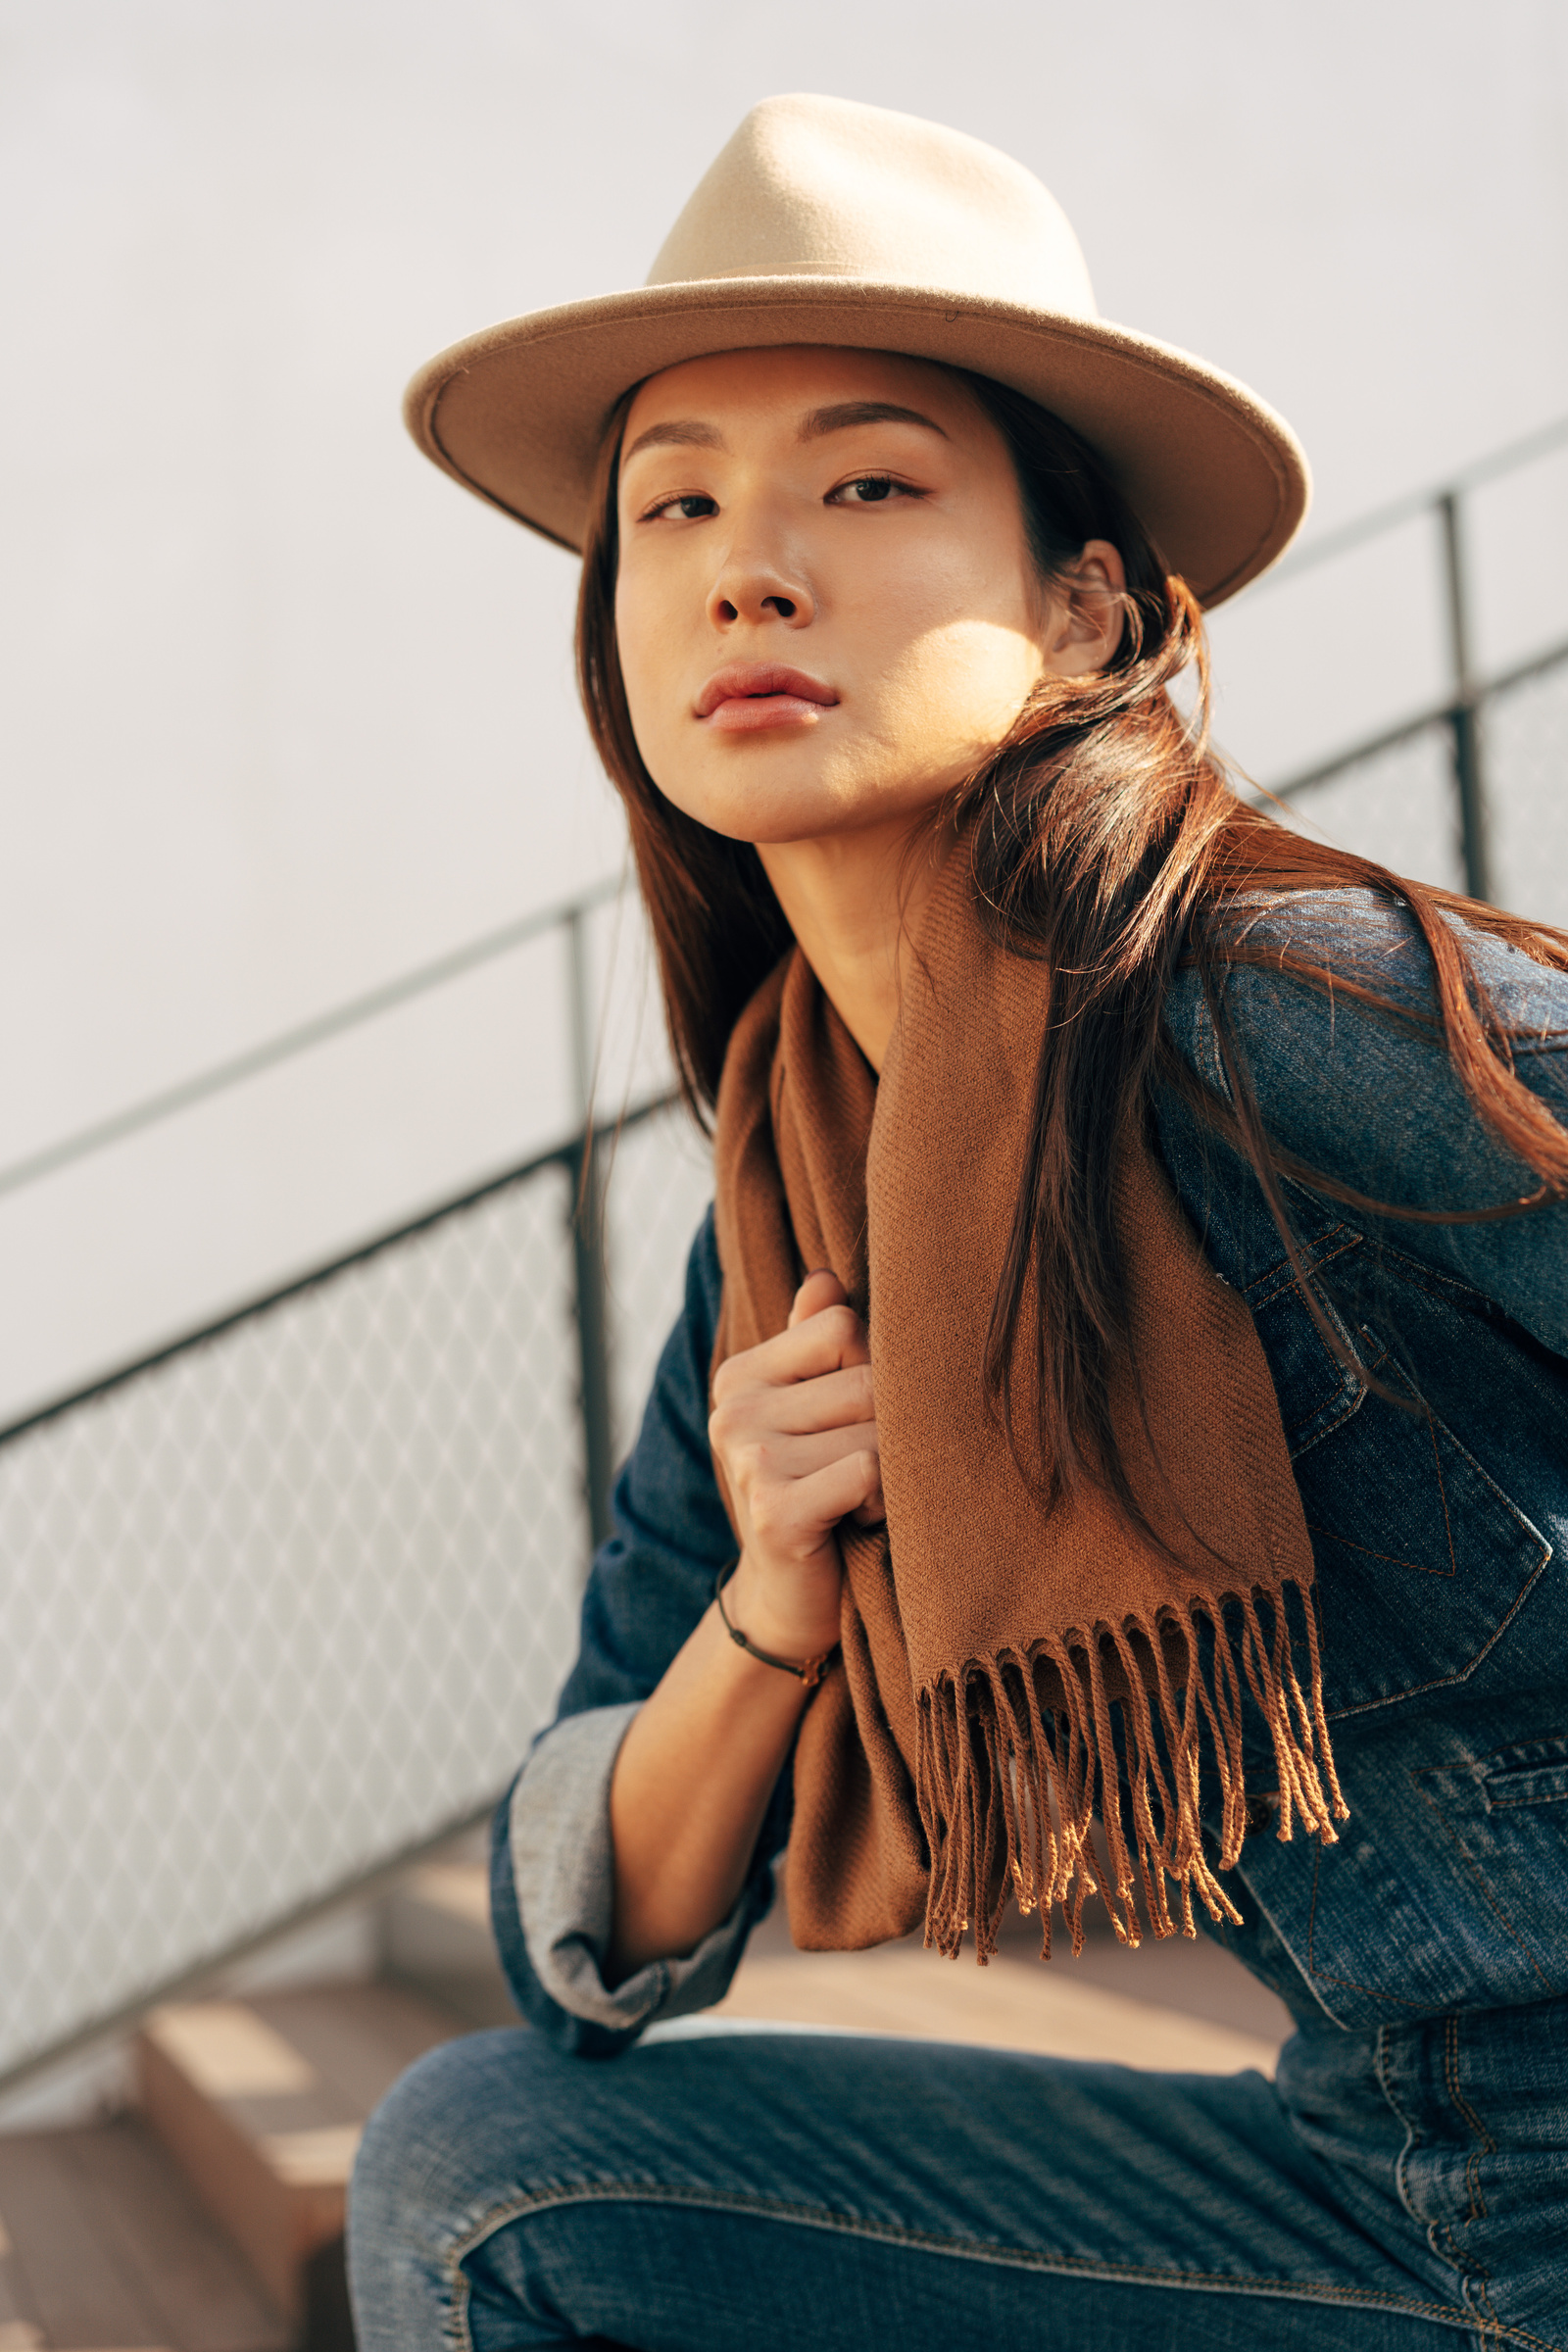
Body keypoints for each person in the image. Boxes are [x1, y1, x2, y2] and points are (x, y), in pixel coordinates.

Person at [349, 93, 1568, 2352]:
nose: (749, 564)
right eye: (674, 502)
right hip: (1393, 2176)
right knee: (483, 2175)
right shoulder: (794, 1186)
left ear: (1080, 601)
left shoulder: (1292, 1027)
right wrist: (774, 1599)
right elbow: (583, 1940)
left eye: (870, 482)